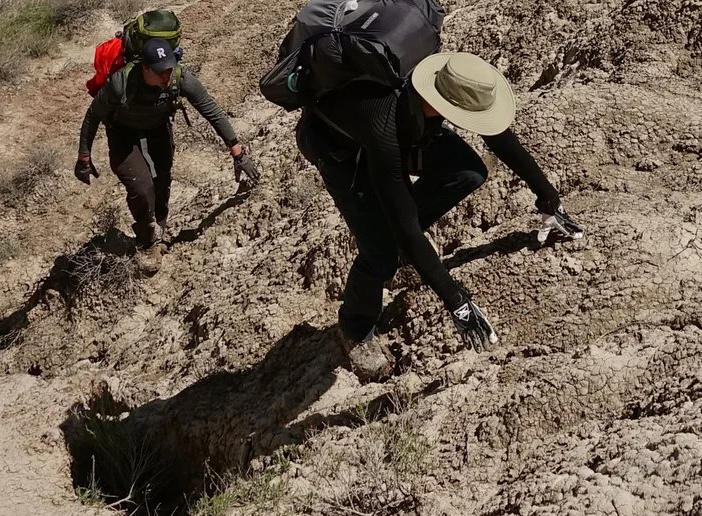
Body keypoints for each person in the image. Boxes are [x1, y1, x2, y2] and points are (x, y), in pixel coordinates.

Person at [293, 31, 579, 373]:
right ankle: (355, 328)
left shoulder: (444, 78)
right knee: (382, 250)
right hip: (339, 150)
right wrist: (457, 301)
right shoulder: (383, 128)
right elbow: (407, 226)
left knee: (468, 171)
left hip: (408, 126)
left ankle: (402, 247)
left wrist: (549, 198)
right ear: (440, 104)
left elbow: (499, 137)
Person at [75, 35, 258, 261]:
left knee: (162, 180)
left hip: (156, 127)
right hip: (122, 132)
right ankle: (147, 242)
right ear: (145, 68)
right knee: (141, 187)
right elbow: (93, 115)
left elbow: (211, 110)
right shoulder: (120, 82)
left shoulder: (179, 78)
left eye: (169, 69)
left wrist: (237, 151)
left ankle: (158, 230)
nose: (166, 75)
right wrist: (84, 155)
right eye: (159, 71)